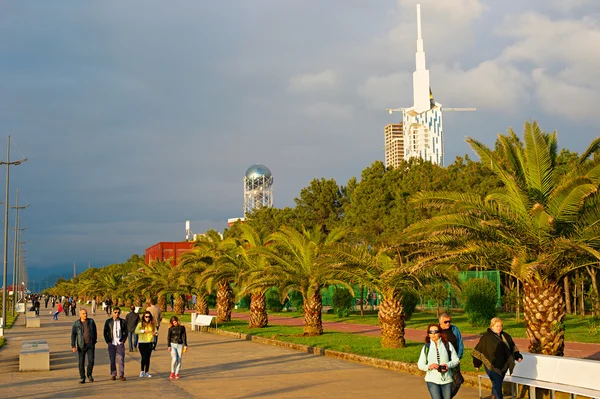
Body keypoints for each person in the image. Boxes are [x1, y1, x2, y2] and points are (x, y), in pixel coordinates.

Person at [472, 317, 523, 399]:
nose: (499, 328)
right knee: (498, 383)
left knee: (496, 383)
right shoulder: (486, 338)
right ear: (492, 327)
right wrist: (477, 364)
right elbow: (479, 350)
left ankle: (493, 396)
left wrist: (518, 356)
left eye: (500, 326)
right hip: (490, 365)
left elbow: (513, 347)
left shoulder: (506, 336)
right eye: (497, 326)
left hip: (504, 365)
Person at [418, 323, 460, 399]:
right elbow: (420, 364)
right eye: (430, 332)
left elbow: (456, 360)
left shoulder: (448, 345)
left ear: (440, 333)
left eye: (435, 332)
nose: (433, 334)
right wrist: (430, 366)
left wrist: (448, 365)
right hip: (432, 380)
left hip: (447, 380)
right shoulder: (426, 347)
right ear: (428, 334)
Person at [439, 312, 464, 398]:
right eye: (446, 322)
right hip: (442, 361)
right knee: (444, 382)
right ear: (440, 322)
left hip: (454, 360)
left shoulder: (455, 329)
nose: (448, 323)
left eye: (449, 321)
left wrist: (458, 356)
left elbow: (460, 343)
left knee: (458, 382)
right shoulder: (437, 331)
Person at [71, 308, 97, 384]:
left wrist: (94, 341)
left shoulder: (91, 321)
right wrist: (73, 345)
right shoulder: (76, 324)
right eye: (83, 314)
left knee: (91, 361)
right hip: (81, 345)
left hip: (90, 345)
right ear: (80, 315)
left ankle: (89, 374)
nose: (85, 315)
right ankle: (82, 377)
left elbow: (95, 331)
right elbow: (73, 335)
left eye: (86, 313)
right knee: (81, 362)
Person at [103, 307, 128, 381]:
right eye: (115, 312)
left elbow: (126, 332)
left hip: (120, 343)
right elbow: (105, 332)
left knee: (121, 359)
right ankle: (113, 374)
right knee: (112, 359)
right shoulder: (108, 321)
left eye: (118, 313)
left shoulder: (123, 321)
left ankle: (121, 375)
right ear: (112, 313)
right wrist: (108, 341)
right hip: (112, 343)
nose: (117, 314)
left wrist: (123, 340)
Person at [135, 311, 158, 378]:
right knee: (144, 357)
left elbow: (156, 331)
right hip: (142, 342)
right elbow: (136, 331)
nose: (147, 318)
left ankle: (147, 372)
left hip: (150, 342)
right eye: (146, 317)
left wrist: (155, 333)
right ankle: (142, 371)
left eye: (149, 317)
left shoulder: (152, 324)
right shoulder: (140, 324)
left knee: (148, 357)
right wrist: (143, 331)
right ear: (144, 317)